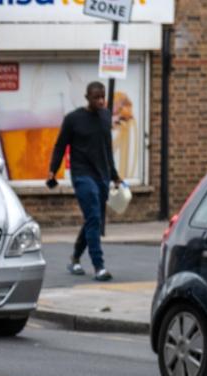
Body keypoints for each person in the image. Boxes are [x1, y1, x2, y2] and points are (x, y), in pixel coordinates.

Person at [47, 81, 121, 282]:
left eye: (103, 97)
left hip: (102, 176)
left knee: (92, 219)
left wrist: (114, 176)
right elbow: (60, 146)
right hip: (82, 175)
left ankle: (75, 258)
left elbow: (107, 149)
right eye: (96, 97)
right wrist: (53, 171)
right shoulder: (73, 119)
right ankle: (99, 266)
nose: (100, 101)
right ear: (87, 97)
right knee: (94, 217)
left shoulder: (105, 117)